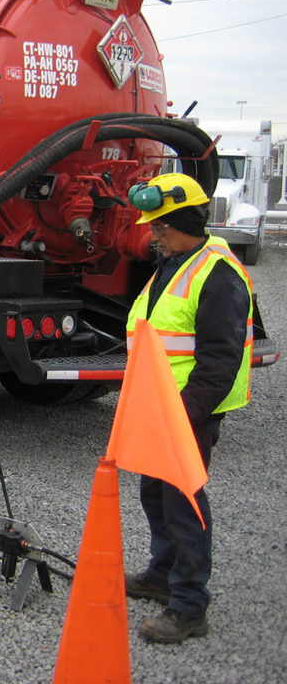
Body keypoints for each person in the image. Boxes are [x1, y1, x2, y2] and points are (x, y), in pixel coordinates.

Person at [124, 172, 253, 643]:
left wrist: (186, 413)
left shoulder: (218, 273)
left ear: (186, 222)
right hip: (158, 408)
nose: (152, 233)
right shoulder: (176, 261)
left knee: (185, 505)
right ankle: (162, 575)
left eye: (161, 225)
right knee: (155, 497)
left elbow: (221, 358)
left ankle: (189, 605)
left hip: (186, 413)